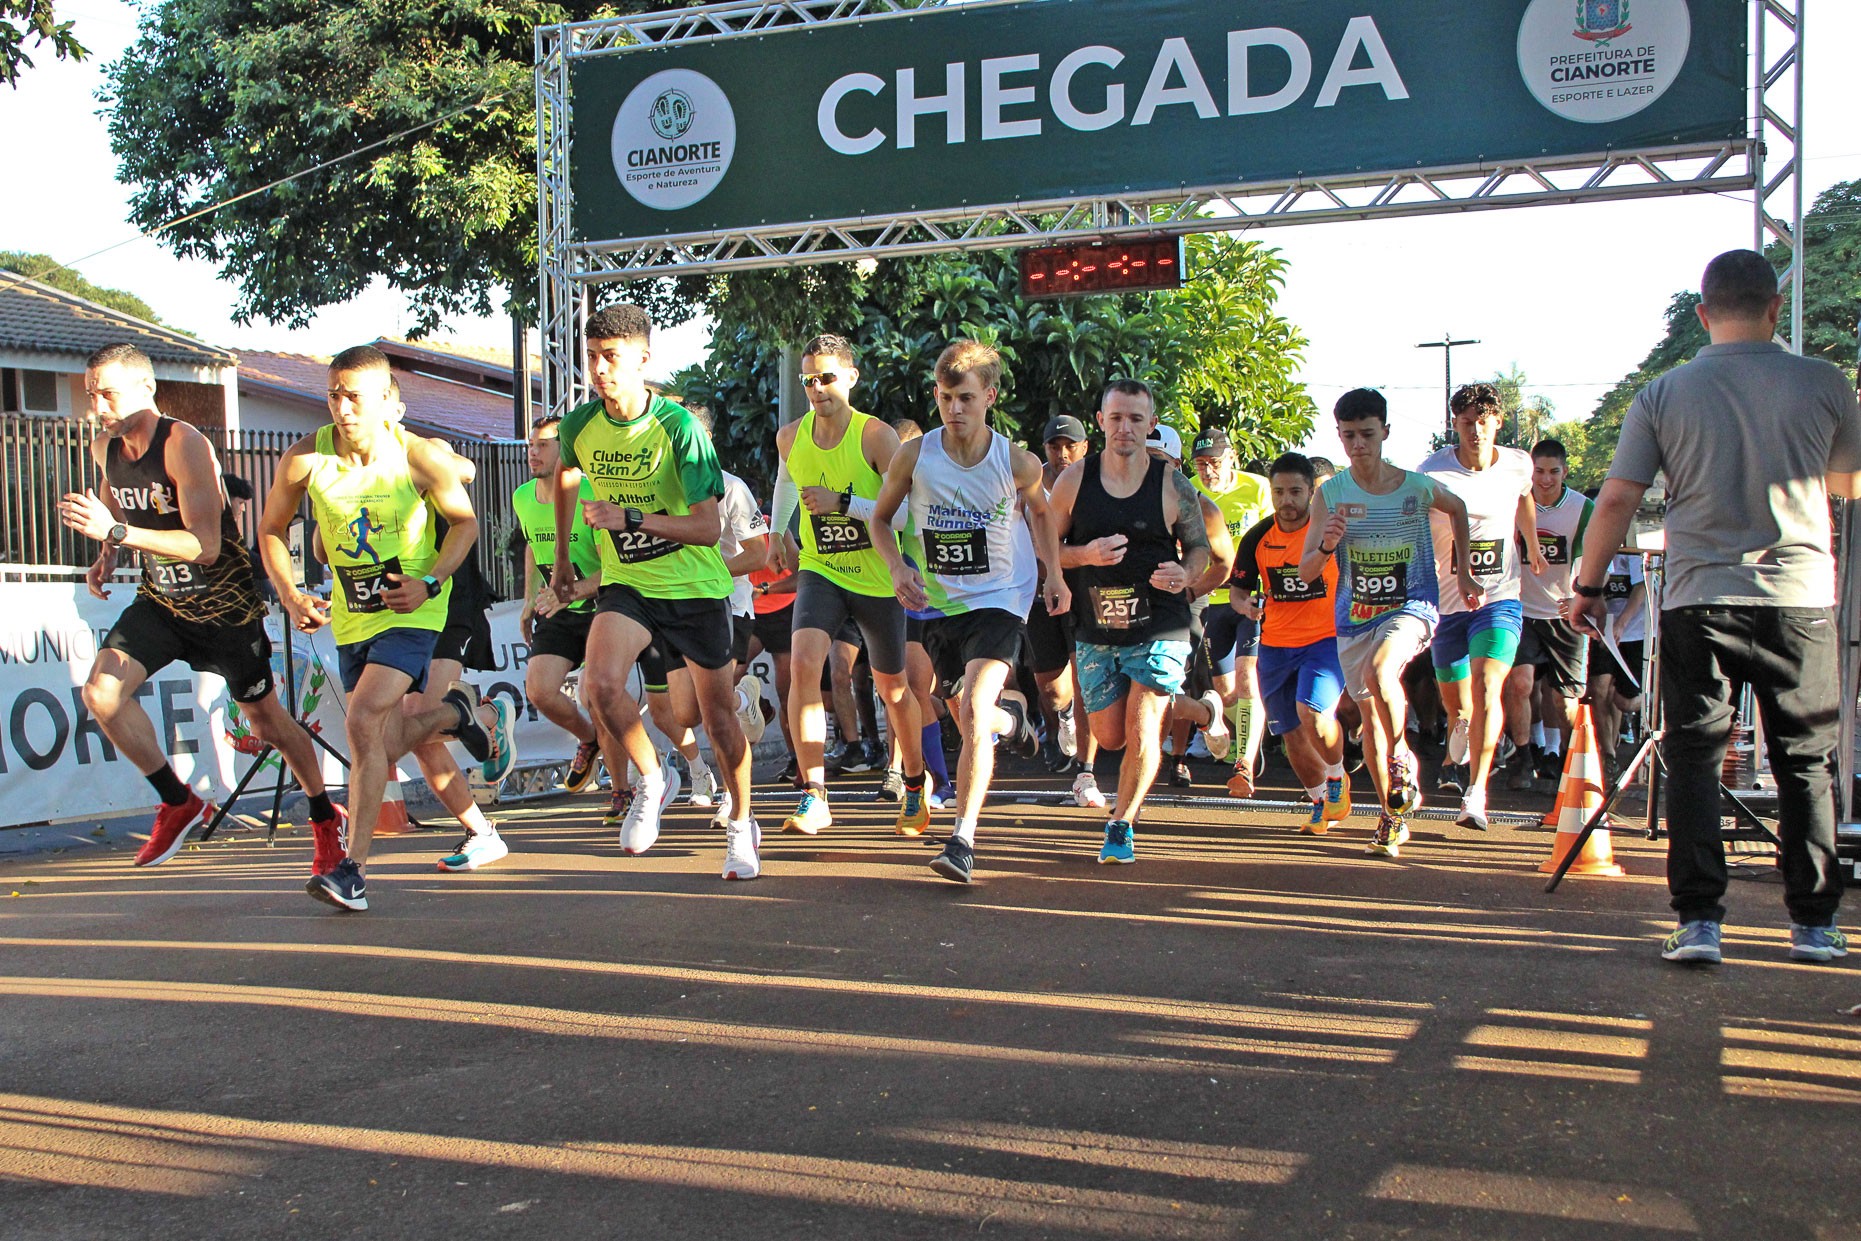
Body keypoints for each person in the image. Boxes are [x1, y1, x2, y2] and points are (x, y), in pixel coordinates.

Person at [1571, 248, 1861, 965]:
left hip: (1698, 597)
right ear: (1772, 308)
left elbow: (1616, 497)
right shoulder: (1824, 380)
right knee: (1804, 759)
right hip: (1798, 596)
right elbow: (1848, 483)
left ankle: (1699, 921)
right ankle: (1813, 923)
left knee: (1694, 756)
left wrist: (1586, 586)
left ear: (1702, 315)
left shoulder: (1662, 393)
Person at [58, 343, 346, 873]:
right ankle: (177, 800)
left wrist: (115, 531)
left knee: (268, 726)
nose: (97, 406)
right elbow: (115, 498)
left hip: (224, 610)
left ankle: (325, 818)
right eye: (90, 394)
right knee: (101, 693)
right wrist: (106, 554)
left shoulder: (182, 443)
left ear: (147, 389)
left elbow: (205, 546)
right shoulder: (106, 447)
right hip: (162, 604)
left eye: (108, 393)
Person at [257, 344, 501, 911]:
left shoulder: (418, 458)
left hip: (414, 611)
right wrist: (291, 593)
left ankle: (354, 869)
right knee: (377, 741)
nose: (342, 408)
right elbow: (271, 528)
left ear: (389, 402)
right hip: (352, 617)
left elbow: (464, 525)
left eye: (354, 396)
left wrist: (432, 582)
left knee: (364, 719)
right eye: (333, 394)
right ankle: (454, 715)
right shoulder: (305, 459)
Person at [550, 303, 760, 880]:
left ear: (643, 358)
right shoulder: (578, 426)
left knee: (717, 720)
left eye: (611, 358)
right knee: (600, 685)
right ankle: (652, 778)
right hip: (629, 584)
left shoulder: (681, 430)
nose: (599, 369)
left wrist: (630, 519)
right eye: (591, 357)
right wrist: (564, 558)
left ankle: (742, 825)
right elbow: (566, 475)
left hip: (694, 587)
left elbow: (707, 527)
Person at [870, 340, 1067, 883]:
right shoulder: (915, 455)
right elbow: (881, 521)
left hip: (1000, 597)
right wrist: (897, 568)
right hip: (935, 601)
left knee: (973, 710)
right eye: (945, 397)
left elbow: (1044, 514)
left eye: (965, 398)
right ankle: (1015, 719)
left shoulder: (1017, 461)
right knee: (952, 707)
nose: (954, 409)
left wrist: (1053, 573)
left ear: (989, 398)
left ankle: (962, 840)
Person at [1049, 379, 1224, 865]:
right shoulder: (1073, 482)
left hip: (1160, 621)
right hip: (1097, 624)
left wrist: (1184, 573)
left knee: (1145, 717)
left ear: (1151, 426)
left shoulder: (1172, 485)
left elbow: (1201, 548)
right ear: (1101, 421)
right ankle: (1203, 711)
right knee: (1110, 736)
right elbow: (1048, 549)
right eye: (1117, 418)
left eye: (1136, 419)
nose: (1125, 428)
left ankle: (1121, 823)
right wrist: (1084, 554)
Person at [1302, 388, 1478, 858]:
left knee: (1384, 673)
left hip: (1411, 606)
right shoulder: (1331, 494)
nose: (1358, 445)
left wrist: (1461, 569)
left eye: (1366, 434)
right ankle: (1392, 816)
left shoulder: (1415, 488)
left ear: (1385, 432)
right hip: (1355, 618)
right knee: (1372, 720)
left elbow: (1457, 507)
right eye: (1348, 436)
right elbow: (1306, 573)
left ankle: (1403, 755)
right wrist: (1325, 544)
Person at [772, 334, 929, 838]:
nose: (818, 389)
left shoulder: (878, 438)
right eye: (809, 380)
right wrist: (779, 531)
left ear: (852, 378)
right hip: (822, 567)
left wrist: (843, 504)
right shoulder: (789, 436)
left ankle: (913, 782)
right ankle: (813, 794)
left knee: (894, 690)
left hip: (878, 574)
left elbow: (908, 516)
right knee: (803, 667)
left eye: (828, 378)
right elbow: (785, 481)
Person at [1419, 382, 1544, 831]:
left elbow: (1525, 497)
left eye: (1483, 423)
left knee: (1489, 682)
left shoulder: (1516, 464)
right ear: (1454, 425)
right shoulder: (1433, 472)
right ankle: (1462, 736)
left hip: (1499, 599)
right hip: (1448, 605)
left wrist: (1529, 542)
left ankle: (1476, 792)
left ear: (1498, 423)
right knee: (1459, 711)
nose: (1475, 432)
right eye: (1466, 423)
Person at [1235, 452, 1349, 831]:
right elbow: (1238, 591)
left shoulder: (1332, 531)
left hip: (1325, 639)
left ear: (1312, 491)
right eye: (1279, 491)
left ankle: (1336, 776)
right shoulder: (1258, 537)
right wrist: (1246, 605)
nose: (1286, 501)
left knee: (1312, 710)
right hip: (1275, 645)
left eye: (1295, 491)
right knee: (1289, 733)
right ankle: (1319, 802)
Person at [513, 414, 617, 796]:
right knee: (539, 691)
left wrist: (571, 592)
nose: (533, 453)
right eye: (530, 445)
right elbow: (530, 546)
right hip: (558, 608)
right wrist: (528, 600)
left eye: (543, 445)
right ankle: (589, 740)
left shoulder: (591, 493)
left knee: (595, 695)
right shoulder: (522, 496)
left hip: (601, 609)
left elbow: (614, 569)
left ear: (564, 450)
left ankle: (625, 788)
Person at [1503, 440, 1593, 789]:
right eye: (1539, 471)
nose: (1545, 479)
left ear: (1564, 472)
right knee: (1520, 683)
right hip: (1522, 610)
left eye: (1553, 471)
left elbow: (1592, 555)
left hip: (1564, 613)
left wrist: (1580, 596)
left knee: (1565, 700)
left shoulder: (1582, 508)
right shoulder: (1514, 505)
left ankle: (1571, 762)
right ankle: (1523, 759)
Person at [1190, 426, 1273, 796]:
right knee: (1225, 692)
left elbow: (1274, 539)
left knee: (1247, 679)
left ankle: (1245, 764)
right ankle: (1239, 736)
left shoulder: (1257, 488)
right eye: (1201, 464)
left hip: (1251, 597)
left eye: (1215, 463)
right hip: (1212, 599)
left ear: (1232, 460)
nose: (1208, 471)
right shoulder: (1186, 488)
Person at [1027, 414, 1090, 773]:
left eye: (1070, 446)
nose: (1062, 453)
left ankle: (1086, 765)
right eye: (1054, 445)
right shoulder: (1031, 484)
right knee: (1052, 689)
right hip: (1040, 594)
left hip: (1083, 593)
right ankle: (1062, 717)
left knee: (1084, 678)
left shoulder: (1096, 483)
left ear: (1084, 447)